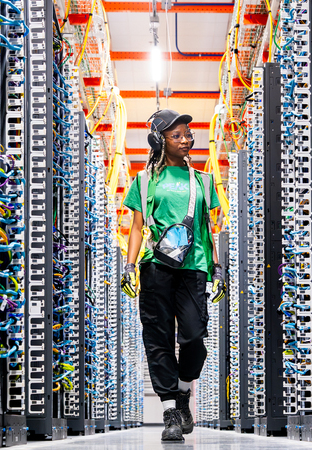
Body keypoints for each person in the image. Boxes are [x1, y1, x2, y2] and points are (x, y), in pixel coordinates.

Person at [120, 109, 226, 442]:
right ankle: (170, 412)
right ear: (159, 140)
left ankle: (183, 392)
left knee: (194, 336)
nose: (186, 140)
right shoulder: (144, 179)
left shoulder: (203, 180)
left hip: (193, 266)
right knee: (158, 339)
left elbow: (208, 229)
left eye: (188, 134)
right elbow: (137, 226)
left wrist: (218, 267)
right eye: (177, 135)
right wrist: (129, 264)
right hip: (155, 266)